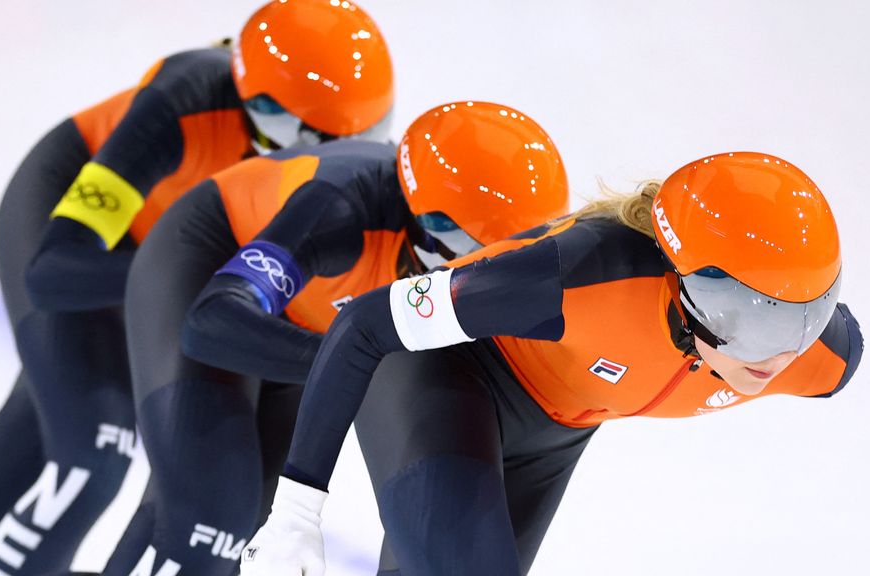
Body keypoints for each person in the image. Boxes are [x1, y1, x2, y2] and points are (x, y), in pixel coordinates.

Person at [235, 152, 865, 575]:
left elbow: (795, 327)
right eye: (745, 320)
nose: (775, 355)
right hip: (447, 373)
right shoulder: (579, 278)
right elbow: (364, 322)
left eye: (803, 318)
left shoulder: (819, 356)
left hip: (558, 427)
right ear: (679, 283)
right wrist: (296, 510)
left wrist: (776, 325)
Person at [0, 1, 393, 574]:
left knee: (60, 420)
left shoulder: (341, 173)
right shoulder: (184, 103)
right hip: (83, 243)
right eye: (290, 133)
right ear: (245, 97)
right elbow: (54, 272)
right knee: (98, 446)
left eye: (349, 138)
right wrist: (183, 283)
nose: (312, 156)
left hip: (182, 264)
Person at [113, 101, 568, 576]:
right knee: (209, 512)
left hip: (311, 318)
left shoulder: (455, 250)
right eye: (466, 250)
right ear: (425, 219)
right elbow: (211, 322)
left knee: (249, 540)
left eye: (496, 259)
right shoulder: (340, 210)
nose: (473, 271)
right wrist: (347, 362)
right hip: (204, 267)